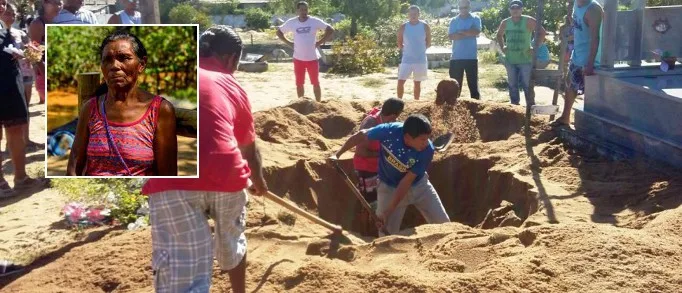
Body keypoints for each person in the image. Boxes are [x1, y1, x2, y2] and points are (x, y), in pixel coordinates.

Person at [141, 25, 268, 293]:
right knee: (232, 242)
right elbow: (248, 146)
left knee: (184, 265)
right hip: (226, 172)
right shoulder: (231, 83)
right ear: (232, 59)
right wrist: (258, 181)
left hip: (174, 176)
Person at [66, 31, 177, 176]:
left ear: (141, 64)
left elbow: (167, 175)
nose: (114, 66)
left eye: (124, 58)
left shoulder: (159, 110)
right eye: (107, 60)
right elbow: (74, 163)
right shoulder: (91, 108)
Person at [331, 114, 450, 236]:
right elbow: (361, 135)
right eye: (423, 139)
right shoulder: (389, 131)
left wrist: (388, 211)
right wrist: (338, 154)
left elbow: (406, 182)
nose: (427, 143)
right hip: (388, 187)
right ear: (408, 137)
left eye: (428, 138)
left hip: (419, 186)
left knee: (445, 226)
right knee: (385, 233)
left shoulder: (427, 150)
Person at [0, 0, 49, 198]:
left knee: (17, 130)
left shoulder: (6, 30)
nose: (2, 6)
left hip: (12, 83)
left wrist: (26, 54)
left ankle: (21, 177)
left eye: (3, 2)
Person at [349, 98, 405, 231]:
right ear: (392, 115)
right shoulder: (371, 123)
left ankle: (381, 228)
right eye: (396, 116)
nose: (396, 120)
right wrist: (384, 154)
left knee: (383, 200)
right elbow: (361, 151)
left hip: (381, 167)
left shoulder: (387, 120)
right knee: (368, 203)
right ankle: (365, 232)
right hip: (366, 168)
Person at [552, 0, 602, 127]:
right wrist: (566, 25)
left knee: (592, 95)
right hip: (577, 55)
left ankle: (591, 125)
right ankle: (565, 117)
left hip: (591, 59)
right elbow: (574, 22)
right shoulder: (575, 3)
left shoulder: (593, 9)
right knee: (570, 86)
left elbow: (596, 38)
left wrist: (590, 63)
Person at [276, 1, 334, 102]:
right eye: (301, 10)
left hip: (312, 58)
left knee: (315, 83)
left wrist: (319, 42)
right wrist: (289, 43)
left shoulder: (314, 21)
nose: (304, 12)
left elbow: (330, 29)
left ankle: (318, 104)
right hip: (298, 59)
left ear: (308, 10)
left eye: (305, 9)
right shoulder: (292, 22)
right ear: (297, 11)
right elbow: (279, 32)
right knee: (299, 84)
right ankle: (300, 104)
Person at [1, 3, 39, 148]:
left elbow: (33, 52)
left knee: (24, 108)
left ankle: (25, 139)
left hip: (25, 74)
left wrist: (28, 52)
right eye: (8, 13)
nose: (11, 16)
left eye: (14, 13)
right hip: (5, 76)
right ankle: (8, 142)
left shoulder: (21, 33)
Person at [495, 0, 546, 106]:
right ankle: (514, 107)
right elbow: (499, 35)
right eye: (512, 8)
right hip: (510, 59)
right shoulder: (505, 22)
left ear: (521, 9)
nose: (515, 10)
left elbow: (542, 32)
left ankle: (530, 107)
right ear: (509, 10)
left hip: (525, 59)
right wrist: (502, 46)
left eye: (517, 8)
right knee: (512, 85)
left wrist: (535, 47)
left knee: (527, 85)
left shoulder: (528, 21)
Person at [29, 0, 61, 105]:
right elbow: (34, 53)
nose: (58, 6)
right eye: (55, 3)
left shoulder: (57, 22)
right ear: (44, 3)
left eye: (60, 3)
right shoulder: (37, 24)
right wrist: (46, 75)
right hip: (44, 73)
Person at [448, 0, 481, 100]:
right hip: (456, 58)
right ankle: (453, 107)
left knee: (473, 85)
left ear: (469, 7)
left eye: (465, 7)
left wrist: (461, 32)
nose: (463, 10)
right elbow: (452, 36)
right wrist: (468, 32)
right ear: (458, 8)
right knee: (455, 86)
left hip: (471, 57)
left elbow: (477, 31)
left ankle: (476, 108)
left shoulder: (475, 18)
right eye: (461, 8)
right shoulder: (454, 20)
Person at [397, 5, 431, 100]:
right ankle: (398, 102)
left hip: (420, 60)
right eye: (411, 14)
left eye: (415, 14)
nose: (413, 16)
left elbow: (428, 43)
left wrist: (419, 50)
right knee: (400, 81)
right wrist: (408, 51)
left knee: (417, 83)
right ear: (408, 14)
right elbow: (399, 43)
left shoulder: (425, 26)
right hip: (407, 59)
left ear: (419, 14)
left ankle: (416, 103)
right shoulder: (403, 27)